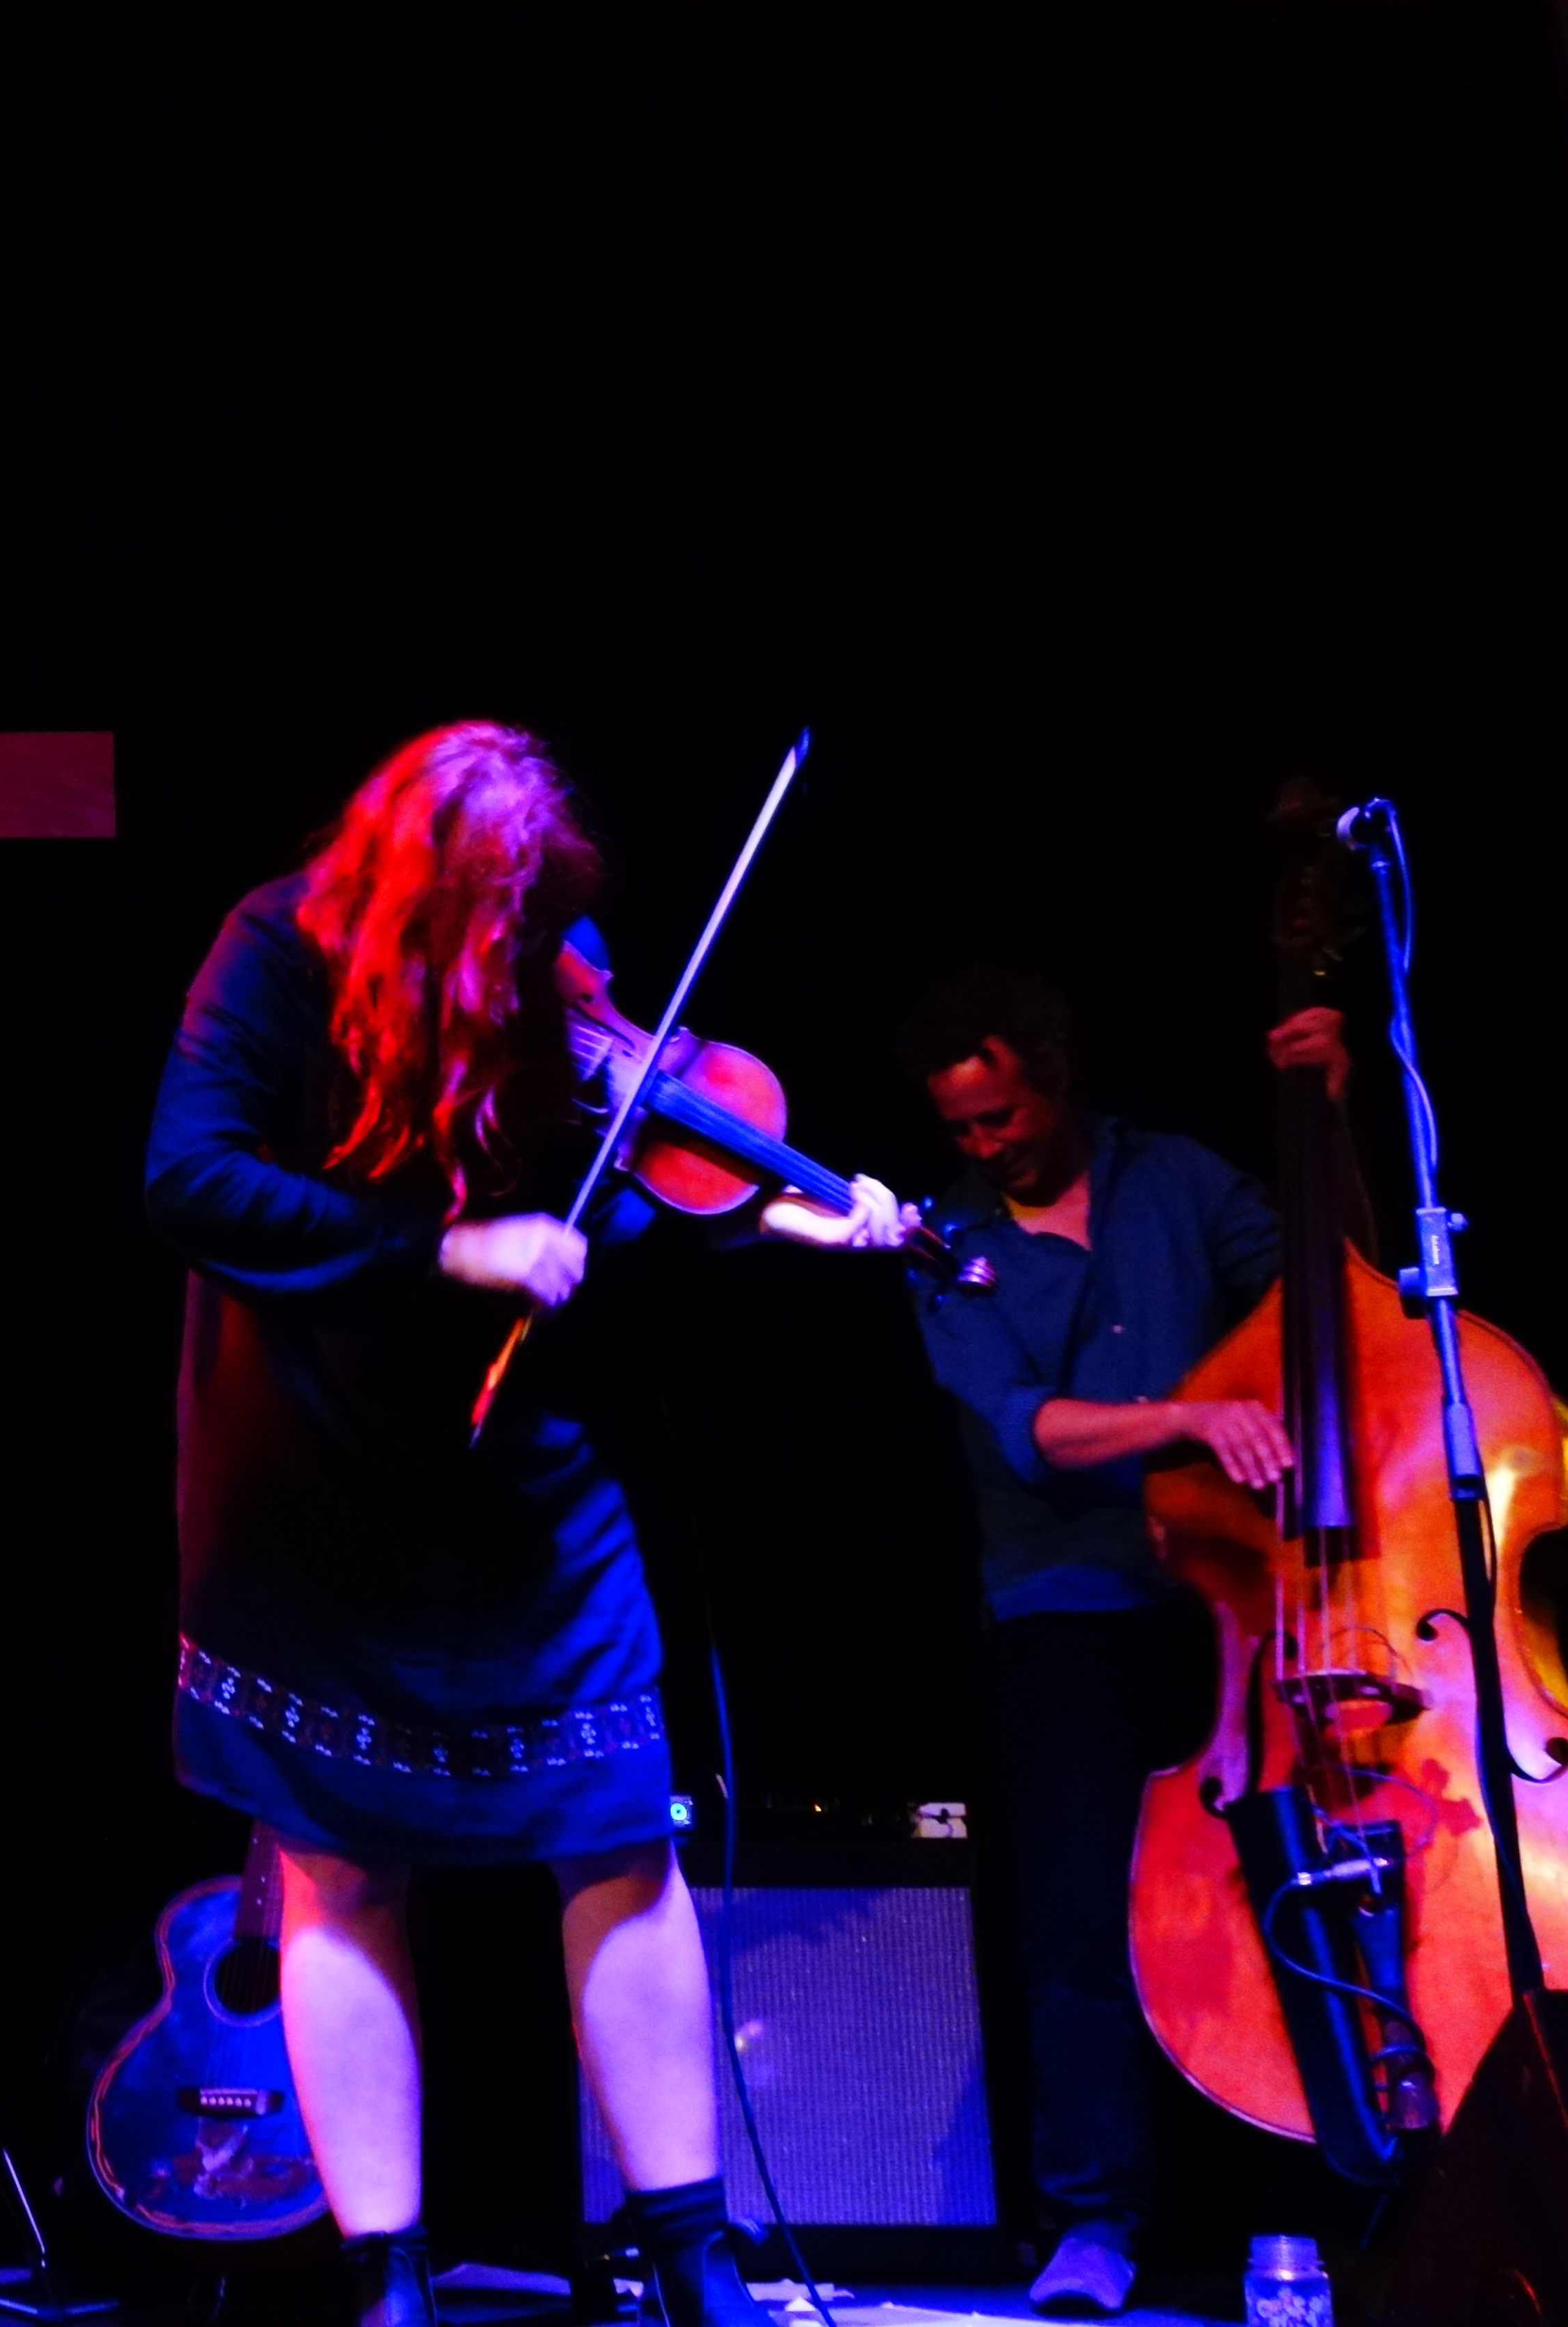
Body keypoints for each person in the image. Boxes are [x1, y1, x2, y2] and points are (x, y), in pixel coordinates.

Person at [145, 723, 905, 2327]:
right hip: (309, 1464)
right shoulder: (275, 946)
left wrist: (776, 1214)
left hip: (518, 1470)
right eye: (481, 916)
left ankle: (692, 2254)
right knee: (340, 1861)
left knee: (618, 1832)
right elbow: (190, 1180)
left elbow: (623, 1181)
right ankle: (388, 2276)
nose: (516, 953)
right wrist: (436, 1250)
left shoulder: (550, 963)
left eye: (530, 914)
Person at [901, 969, 1341, 2317]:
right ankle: (1094, 2220)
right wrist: (1190, 1419)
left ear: (1053, 1072)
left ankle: (1308, 2208)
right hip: (1067, 1613)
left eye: (1001, 1113)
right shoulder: (947, 1241)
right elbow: (1026, 1430)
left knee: (1285, 1894)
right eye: (960, 1126)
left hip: (1243, 1602)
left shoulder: (1177, 1178)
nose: (985, 1144)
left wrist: (1328, 1115)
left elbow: (1329, 1295)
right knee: (1083, 1917)